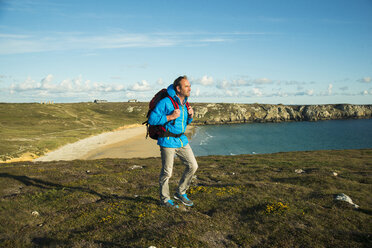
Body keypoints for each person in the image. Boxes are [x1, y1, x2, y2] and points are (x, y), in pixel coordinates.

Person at [148, 75, 198, 208]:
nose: (190, 88)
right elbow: (152, 120)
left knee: (193, 166)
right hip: (167, 141)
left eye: (189, 86)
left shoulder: (185, 103)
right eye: (186, 86)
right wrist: (170, 116)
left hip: (181, 140)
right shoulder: (166, 102)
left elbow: (183, 123)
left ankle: (180, 193)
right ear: (178, 88)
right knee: (167, 173)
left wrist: (191, 116)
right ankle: (164, 200)